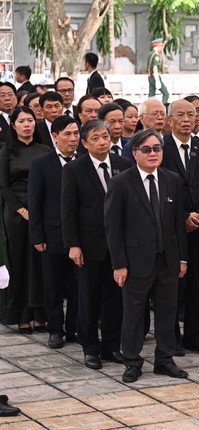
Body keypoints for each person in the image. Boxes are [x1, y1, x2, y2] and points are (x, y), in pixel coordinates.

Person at [103, 128, 189, 383]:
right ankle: (132, 361)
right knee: (133, 314)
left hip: (167, 261)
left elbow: (178, 225)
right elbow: (113, 228)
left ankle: (165, 359)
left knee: (167, 312)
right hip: (135, 262)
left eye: (157, 149)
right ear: (134, 153)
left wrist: (182, 258)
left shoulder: (172, 179)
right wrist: (119, 264)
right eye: (147, 149)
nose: (153, 154)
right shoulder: (120, 183)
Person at [61, 119, 132, 369]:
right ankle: (90, 347)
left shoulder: (123, 165)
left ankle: (112, 346)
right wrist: (73, 244)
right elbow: (68, 210)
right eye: (96, 138)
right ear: (84, 143)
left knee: (115, 298)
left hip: (118, 246)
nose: (102, 142)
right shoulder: (74, 169)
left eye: (105, 137)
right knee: (88, 298)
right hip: (88, 246)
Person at [161, 99, 199, 354]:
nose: (186, 119)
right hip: (171, 226)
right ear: (170, 120)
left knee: (197, 284)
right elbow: (159, 187)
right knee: (171, 284)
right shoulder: (161, 147)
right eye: (180, 115)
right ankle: (171, 336)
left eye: (191, 115)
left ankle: (194, 334)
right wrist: (183, 216)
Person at [28, 115, 80, 348]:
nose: (73, 139)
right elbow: (35, 201)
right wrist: (37, 236)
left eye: (76, 133)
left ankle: (74, 329)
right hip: (52, 235)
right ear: (54, 136)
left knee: (78, 286)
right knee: (54, 286)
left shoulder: (85, 161)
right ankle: (55, 329)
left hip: (81, 236)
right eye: (67, 134)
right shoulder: (41, 163)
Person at [0, 106, 49, 332]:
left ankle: (40, 314)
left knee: (40, 264)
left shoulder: (45, 150)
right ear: (13, 125)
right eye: (21, 121)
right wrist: (20, 210)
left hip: (42, 211)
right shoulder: (6, 151)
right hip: (16, 213)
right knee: (19, 263)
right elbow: (3, 186)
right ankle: (20, 314)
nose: (27, 125)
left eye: (30, 120)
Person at [147, 38, 170, 104]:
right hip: (155, 77)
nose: (161, 48)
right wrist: (157, 79)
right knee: (165, 93)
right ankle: (164, 106)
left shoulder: (150, 54)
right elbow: (155, 67)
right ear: (158, 46)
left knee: (151, 96)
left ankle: (150, 107)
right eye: (161, 46)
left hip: (150, 77)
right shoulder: (156, 55)